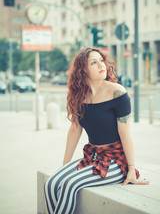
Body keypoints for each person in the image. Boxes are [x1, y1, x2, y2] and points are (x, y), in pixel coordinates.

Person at [44, 47, 149, 214]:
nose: (101, 65)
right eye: (93, 62)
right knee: (51, 183)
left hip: (116, 162)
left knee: (69, 184)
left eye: (101, 60)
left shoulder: (117, 92)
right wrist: (65, 167)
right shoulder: (80, 96)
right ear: (82, 70)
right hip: (92, 157)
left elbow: (125, 133)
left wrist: (131, 170)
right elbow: (74, 129)